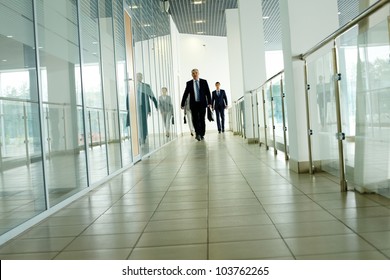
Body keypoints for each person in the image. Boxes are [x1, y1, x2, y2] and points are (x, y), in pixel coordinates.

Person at [180, 69, 211, 141]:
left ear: (198, 73)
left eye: (196, 73)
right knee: (195, 119)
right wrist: (182, 103)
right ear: (192, 75)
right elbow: (185, 93)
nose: (195, 74)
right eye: (193, 73)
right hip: (194, 104)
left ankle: (202, 133)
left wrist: (209, 102)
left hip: (202, 103)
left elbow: (208, 92)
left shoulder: (204, 82)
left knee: (202, 119)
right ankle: (198, 134)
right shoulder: (189, 83)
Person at [136, 72, 158, 145]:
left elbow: (152, 96)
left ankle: (143, 137)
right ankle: (139, 137)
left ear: (142, 78)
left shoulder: (146, 86)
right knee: (138, 123)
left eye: (140, 76)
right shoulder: (133, 86)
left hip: (144, 108)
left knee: (143, 123)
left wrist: (156, 105)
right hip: (136, 108)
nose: (139, 77)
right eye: (137, 76)